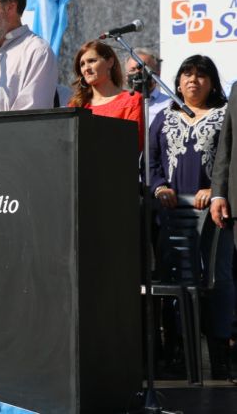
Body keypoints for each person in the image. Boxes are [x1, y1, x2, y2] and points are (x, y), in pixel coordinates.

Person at [151, 55, 232, 380]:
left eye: (201, 75)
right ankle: (178, 357)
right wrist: (158, 188)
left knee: (217, 281)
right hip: (172, 217)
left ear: (212, 82)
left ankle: (220, 357)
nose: (193, 81)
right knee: (174, 282)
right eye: (187, 74)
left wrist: (214, 189)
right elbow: (152, 161)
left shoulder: (225, 115)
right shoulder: (164, 116)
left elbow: (231, 159)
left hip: (214, 215)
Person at [68, 40, 143, 147]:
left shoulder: (132, 100)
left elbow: (134, 145)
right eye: (82, 64)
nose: (86, 68)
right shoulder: (76, 105)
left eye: (92, 61)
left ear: (110, 62)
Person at [125, 48, 169, 125]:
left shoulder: (169, 105)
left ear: (157, 73)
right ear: (126, 76)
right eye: (133, 70)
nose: (138, 73)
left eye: (144, 69)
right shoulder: (121, 105)